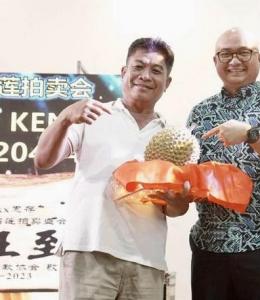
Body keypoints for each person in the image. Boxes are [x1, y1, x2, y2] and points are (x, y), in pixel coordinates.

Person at [34, 38, 189, 299]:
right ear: (124, 72)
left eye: (156, 70)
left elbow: (175, 208)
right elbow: (43, 160)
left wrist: (179, 200)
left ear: (168, 83)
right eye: (138, 67)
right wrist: (64, 118)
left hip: (146, 262)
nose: (144, 76)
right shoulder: (92, 114)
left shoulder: (173, 137)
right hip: (88, 252)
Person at [186, 27, 260, 300]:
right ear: (215, 61)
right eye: (225, 54)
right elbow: (189, 168)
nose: (234, 60)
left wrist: (253, 136)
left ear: (259, 58)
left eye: (243, 52)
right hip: (208, 244)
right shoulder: (200, 111)